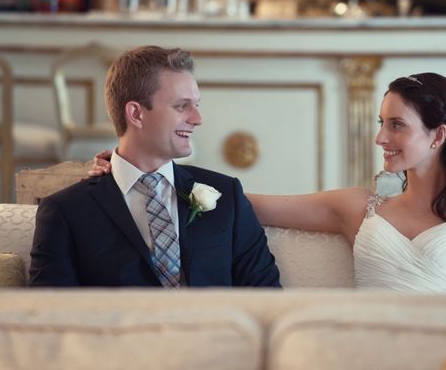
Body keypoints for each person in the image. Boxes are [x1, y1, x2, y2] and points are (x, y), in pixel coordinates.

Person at [91, 72, 446, 293]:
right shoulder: (358, 209)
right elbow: (239, 203)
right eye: (380, 123)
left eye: (396, 126)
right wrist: (134, 166)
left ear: (438, 135)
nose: (380, 138)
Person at [29, 45, 280, 288]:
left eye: (196, 105)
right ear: (136, 114)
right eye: (182, 106)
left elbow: (266, 297)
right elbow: (52, 315)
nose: (197, 119)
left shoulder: (227, 196)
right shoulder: (65, 212)